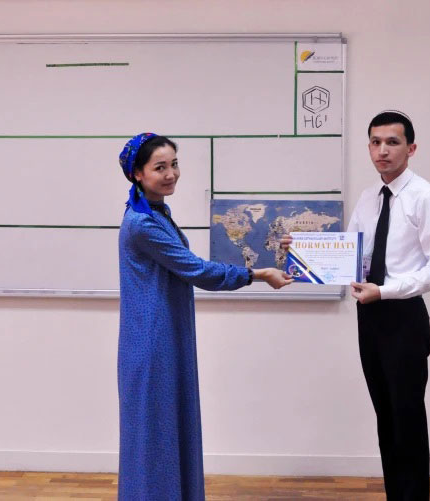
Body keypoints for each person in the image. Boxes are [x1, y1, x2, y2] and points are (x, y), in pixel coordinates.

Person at [284, 111, 430, 500]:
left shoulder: (426, 198)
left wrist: (386, 291)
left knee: (407, 419)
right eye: (375, 142)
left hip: (403, 316)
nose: (382, 151)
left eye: (392, 142)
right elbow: (351, 255)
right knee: (386, 418)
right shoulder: (369, 197)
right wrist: (301, 252)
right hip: (370, 316)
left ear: (411, 148)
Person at [117, 132, 292, 501]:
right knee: (155, 436)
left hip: (166, 334)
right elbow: (197, 270)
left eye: (174, 164)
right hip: (153, 341)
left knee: (170, 429)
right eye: (160, 168)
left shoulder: (156, 212)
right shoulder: (142, 223)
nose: (171, 174)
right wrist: (258, 274)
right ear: (137, 174)